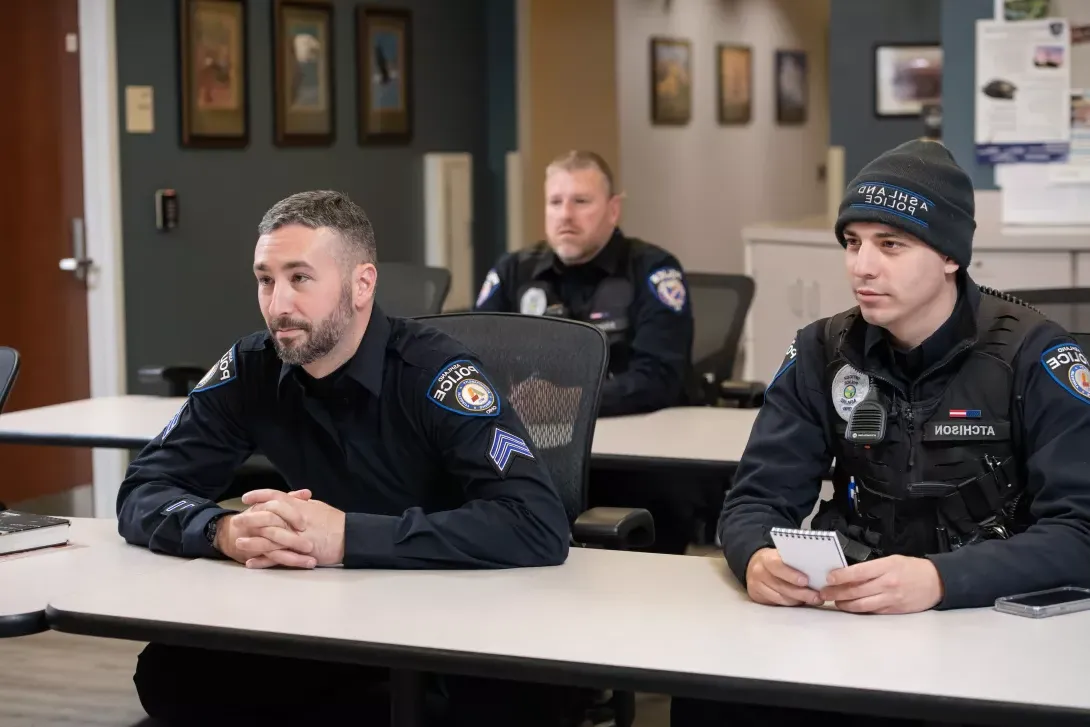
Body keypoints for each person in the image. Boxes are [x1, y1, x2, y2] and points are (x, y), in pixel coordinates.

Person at [116, 190, 580, 726]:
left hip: (457, 615)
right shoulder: (252, 368)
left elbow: (537, 523)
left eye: (300, 278)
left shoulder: (436, 374)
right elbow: (144, 488)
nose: (277, 304)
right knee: (172, 677)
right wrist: (221, 530)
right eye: (265, 280)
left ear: (362, 284)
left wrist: (347, 537)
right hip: (331, 616)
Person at [672, 140, 1090, 726]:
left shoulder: (1035, 356)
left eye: (890, 245)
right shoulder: (822, 351)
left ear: (949, 256)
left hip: (988, 631)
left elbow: (1079, 533)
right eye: (853, 242)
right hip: (849, 621)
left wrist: (942, 579)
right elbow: (754, 499)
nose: (862, 266)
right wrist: (756, 557)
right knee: (703, 697)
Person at [475, 150, 700, 555]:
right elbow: (474, 366)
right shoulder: (514, 272)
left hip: (634, 464)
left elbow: (660, 379)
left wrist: (565, 401)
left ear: (613, 210)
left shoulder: (651, 271)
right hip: (530, 454)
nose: (566, 215)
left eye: (581, 201)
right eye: (555, 202)